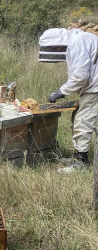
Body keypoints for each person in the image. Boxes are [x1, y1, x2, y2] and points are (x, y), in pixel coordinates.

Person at [40, 27, 98, 164]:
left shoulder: (77, 43)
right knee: (81, 118)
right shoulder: (82, 38)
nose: (57, 51)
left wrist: (61, 91)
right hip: (94, 88)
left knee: (82, 122)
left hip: (95, 90)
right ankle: (79, 156)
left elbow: (81, 76)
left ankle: (81, 161)